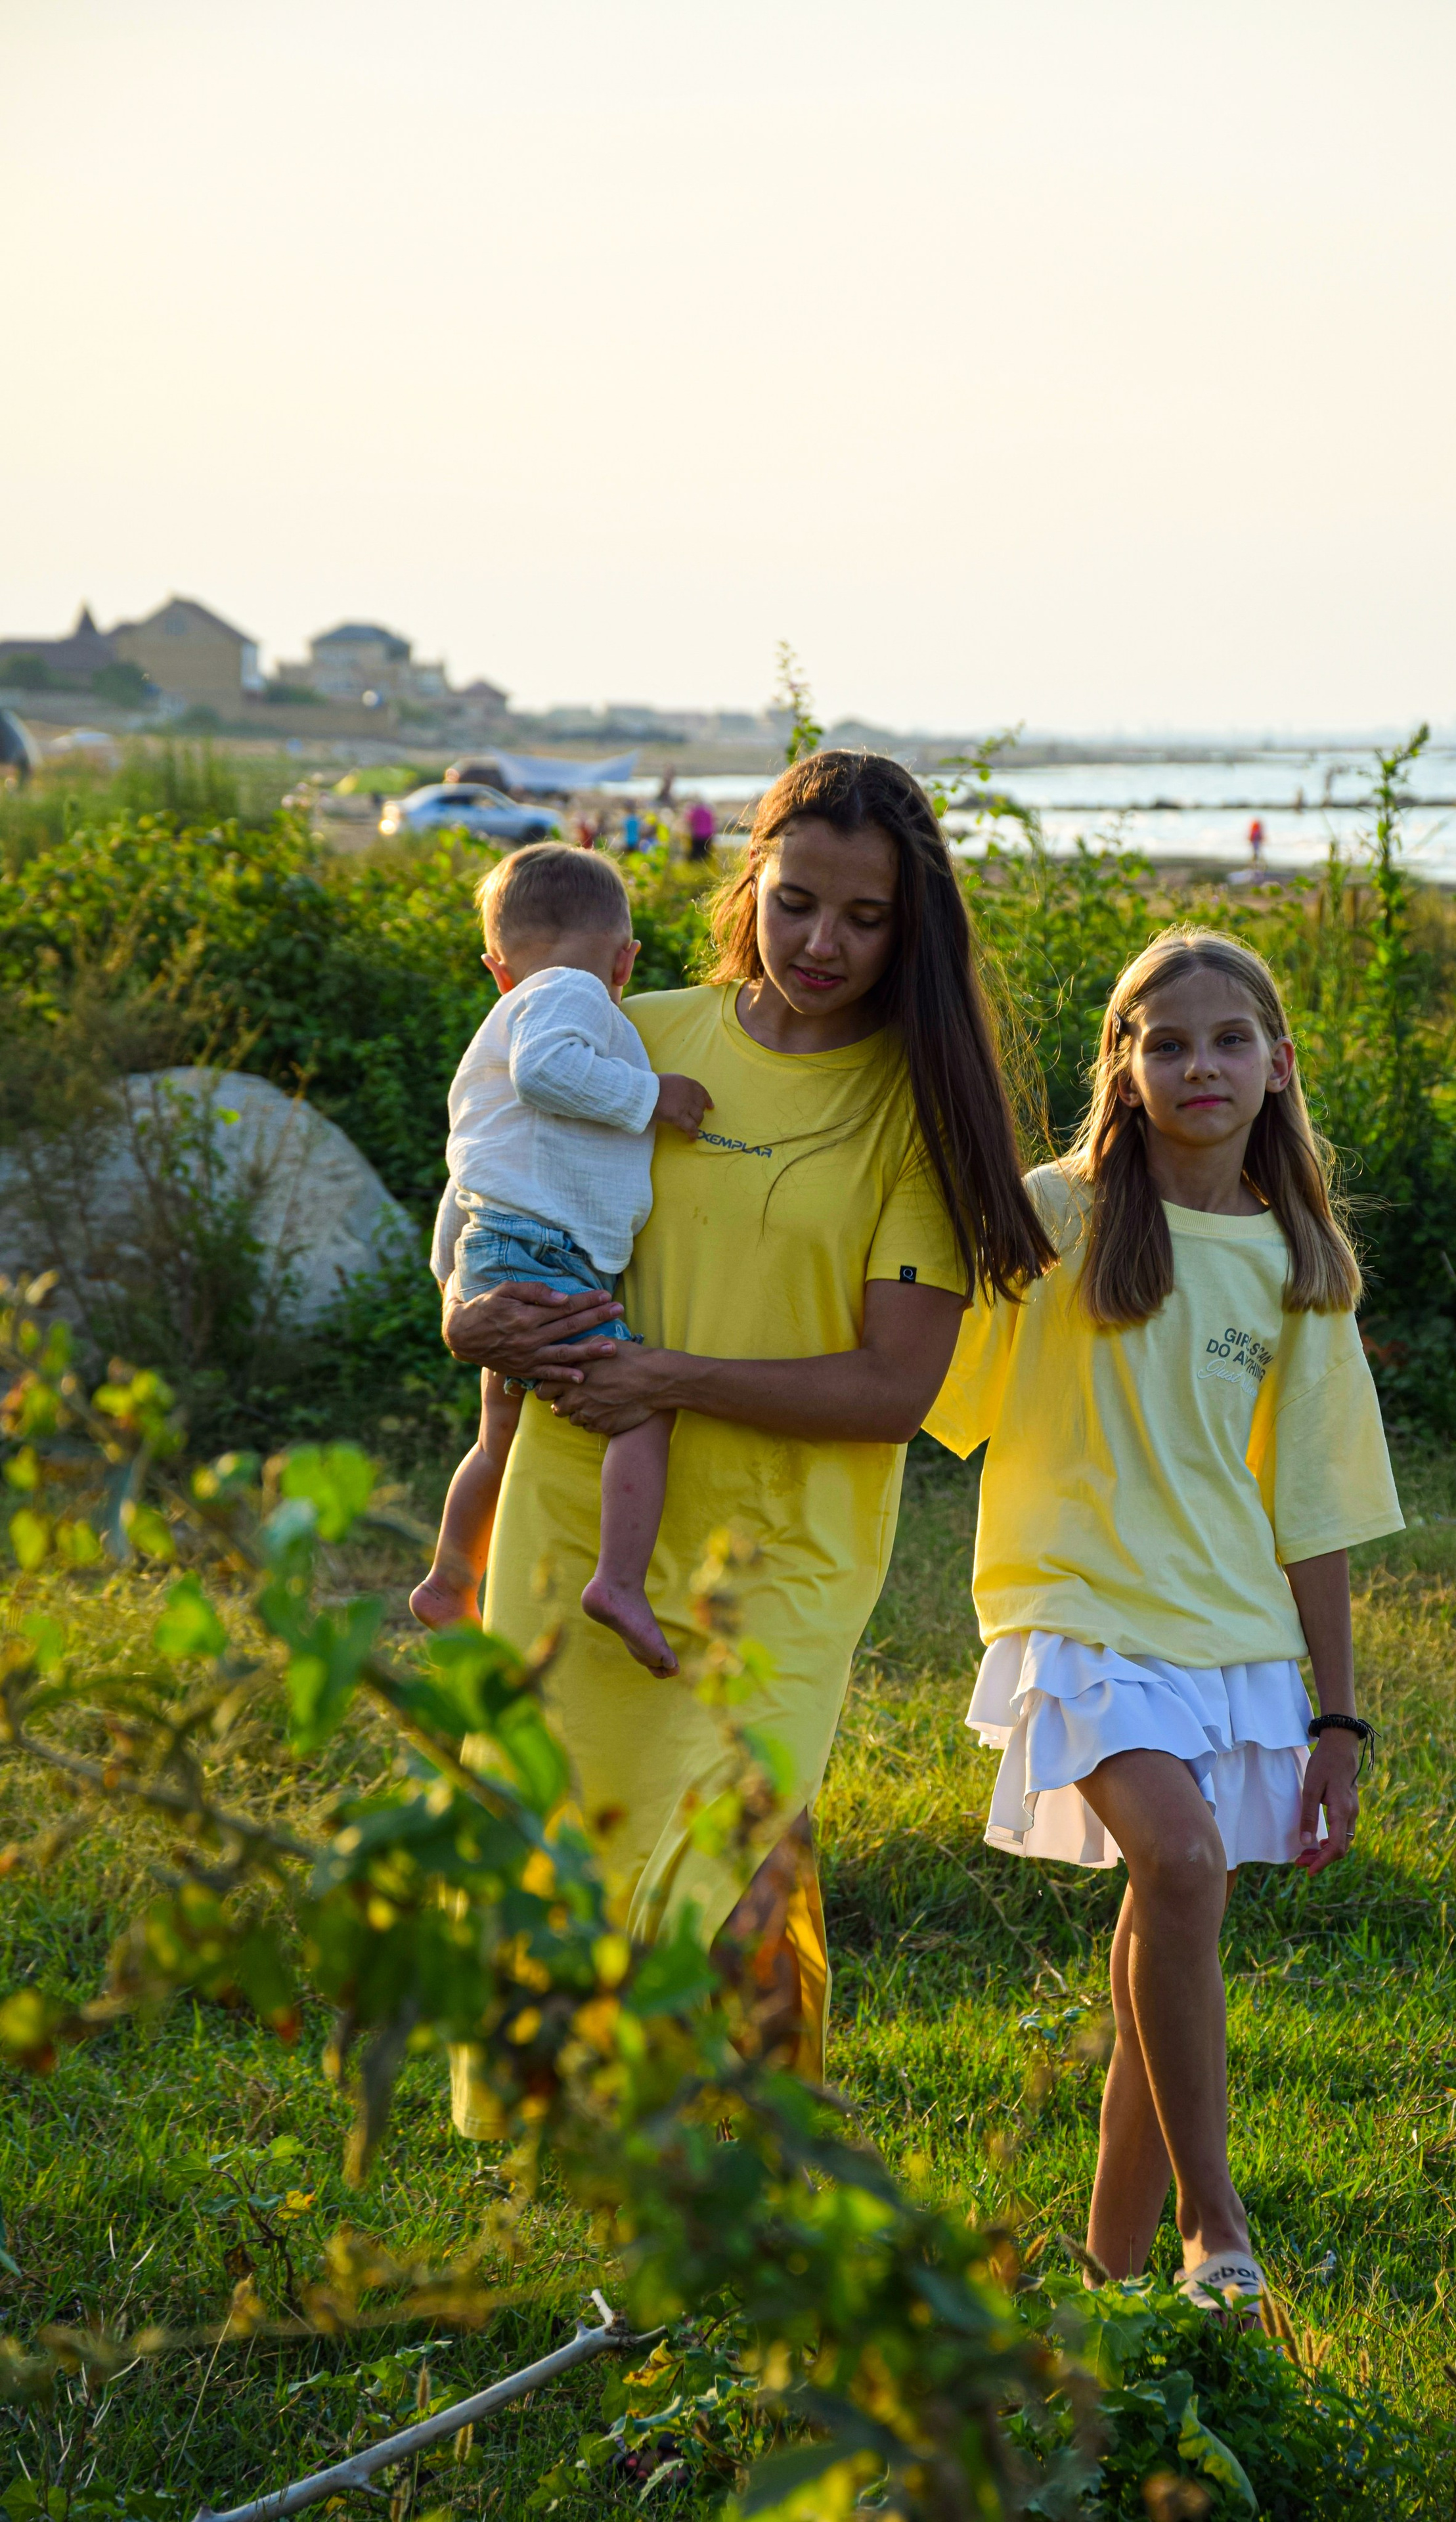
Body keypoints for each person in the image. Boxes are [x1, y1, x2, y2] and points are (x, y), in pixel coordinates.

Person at [439, 751, 1054, 2122]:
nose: (820, 944)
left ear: (912, 930)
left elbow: (894, 1389)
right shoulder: (629, 1033)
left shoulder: (914, 1107)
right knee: (570, 1867)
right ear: (748, 888)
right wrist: (463, 1320)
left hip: (782, 1550)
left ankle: (748, 2192)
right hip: (577, 1520)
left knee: (729, 1878)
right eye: (794, 904)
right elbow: (492, 1185)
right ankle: (601, 2196)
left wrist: (661, 1369)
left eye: (862, 917)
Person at [925, 927, 1401, 2310]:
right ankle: (1216, 2218)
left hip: (1234, 1635)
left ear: (1275, 1066)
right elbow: (933, 1392)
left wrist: (1335, 1715)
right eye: (1168, 1041)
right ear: (1122, 1071)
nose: (1201, 1064)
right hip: (1077, 1613)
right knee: (1181, 1869)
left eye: (1228, 1040)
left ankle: (1105, 2292)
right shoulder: (1055, 1220)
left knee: (1166, 1931)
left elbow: (1307, 1513)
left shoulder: (1300, 1263)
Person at [410, 843, 713, 1675]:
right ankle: (618, 1583)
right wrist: (655, 1097)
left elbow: (470, 1176)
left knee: (499, 1439)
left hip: (498, 1250)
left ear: (495, 967)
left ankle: (445, 1582)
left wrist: (453, 1286)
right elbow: (552, 1074)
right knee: (643, 1406)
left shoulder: (503, 1021)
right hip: (546, 1258)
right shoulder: (570, 996)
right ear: (627, 959)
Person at [685, 794, 717, 863]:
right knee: (706, 854)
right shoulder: (709, 811)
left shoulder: (695, 811)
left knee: (696, 854)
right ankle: (703, 868)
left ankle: (696, 868)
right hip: (708, 835)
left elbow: (689, 820)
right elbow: (713, 823)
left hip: (698, 835)